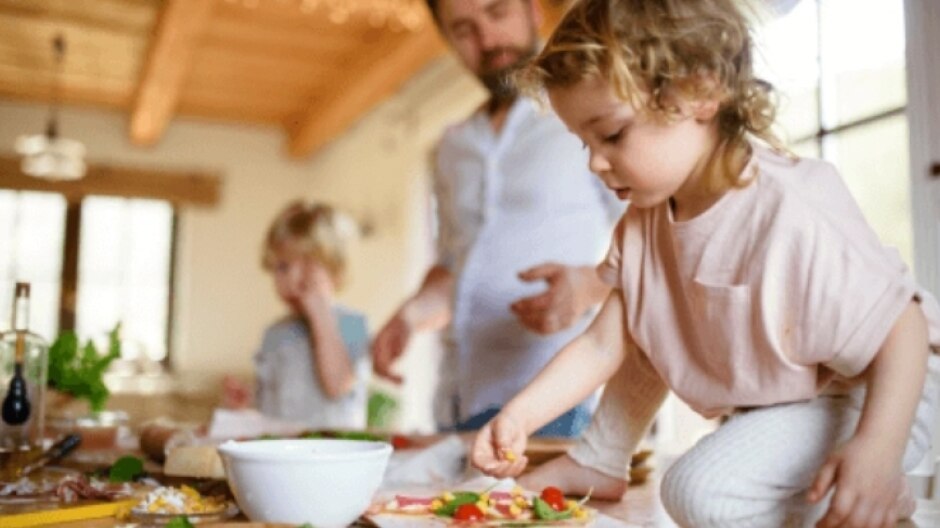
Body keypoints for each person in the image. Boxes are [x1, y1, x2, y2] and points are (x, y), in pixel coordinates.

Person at [470, 0, 940, 526]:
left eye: (613, 135)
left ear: (700, 91)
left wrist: (875, 452)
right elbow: (605, 343)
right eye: (585, 143)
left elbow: (903, 327)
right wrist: (520, 416)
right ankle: (598, 458)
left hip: (891, 386)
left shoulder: (791, 209)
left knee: (697, 491)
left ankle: (877, 499)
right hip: (799, 390)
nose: (596, 163)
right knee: (653, 316)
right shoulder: (644, 217)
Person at [370, 0, 624, 437]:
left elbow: (661, 245)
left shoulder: (588, 112)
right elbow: (455, 269)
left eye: (496, 12)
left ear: (531, 9)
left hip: (553, 404)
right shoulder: (452, 147)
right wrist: (410, 316)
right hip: (455, 402)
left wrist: (587, 286)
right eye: (465, 29)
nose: (487, 40)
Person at [222, 201, 370, 430]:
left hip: (334, 455)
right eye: (282, 267)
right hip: (283, 454)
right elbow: (270, 410)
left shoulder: (353, 324)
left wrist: (320, 313)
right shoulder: (274, 333)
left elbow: (338, 385)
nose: (293, 279)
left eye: (309, 266)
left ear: (335, 270)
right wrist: (246, 405)